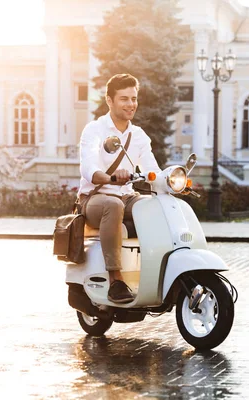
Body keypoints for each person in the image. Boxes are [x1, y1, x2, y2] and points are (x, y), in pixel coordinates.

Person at [78, 74, 161, 303]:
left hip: (127, 196)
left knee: (155, 206)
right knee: (113, 205)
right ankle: (116, 280)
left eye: (134, 98)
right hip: (96, 198)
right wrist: (111, 178)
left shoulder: (139, 136)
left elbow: (152, 170)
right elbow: (89, 169)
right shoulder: (94, 130)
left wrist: (172, 182)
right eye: (124, 98)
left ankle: (154, 271)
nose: (131, 104)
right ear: (109, 100)